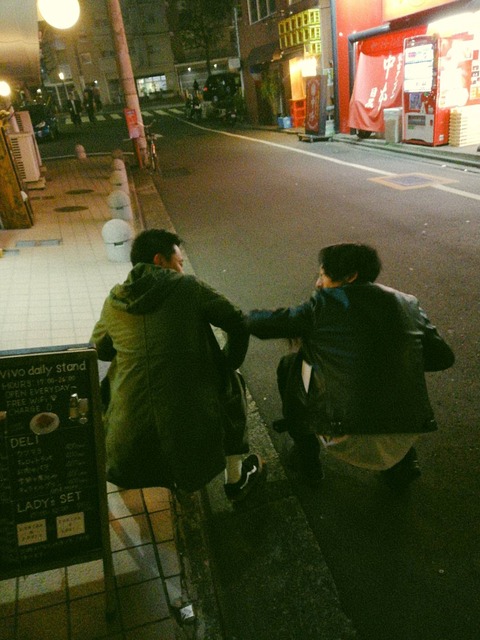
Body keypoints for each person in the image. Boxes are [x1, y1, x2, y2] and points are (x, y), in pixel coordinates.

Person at [247, 243, 454, 490]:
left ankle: (307, 458)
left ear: (350, 276)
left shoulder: (323, 305)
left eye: (323, 275)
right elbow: (443, 358)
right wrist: (394, 363)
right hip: (406, 432)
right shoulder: (407, 303)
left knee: (291, 365)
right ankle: (403, 465)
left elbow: (266, 324)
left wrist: (231, 316)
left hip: (343, 434)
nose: (318, 284)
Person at [91, 229, 265, 500]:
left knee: (120, 382)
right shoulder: (188, 287)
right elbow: (238, 322)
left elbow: (100, 350)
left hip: (125, 434)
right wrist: (227, 363)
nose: (182, 269)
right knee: (230, 383)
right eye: (179, 263)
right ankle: (236, 479)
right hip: (191, 420)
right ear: (160, 260)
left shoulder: (115, 300)